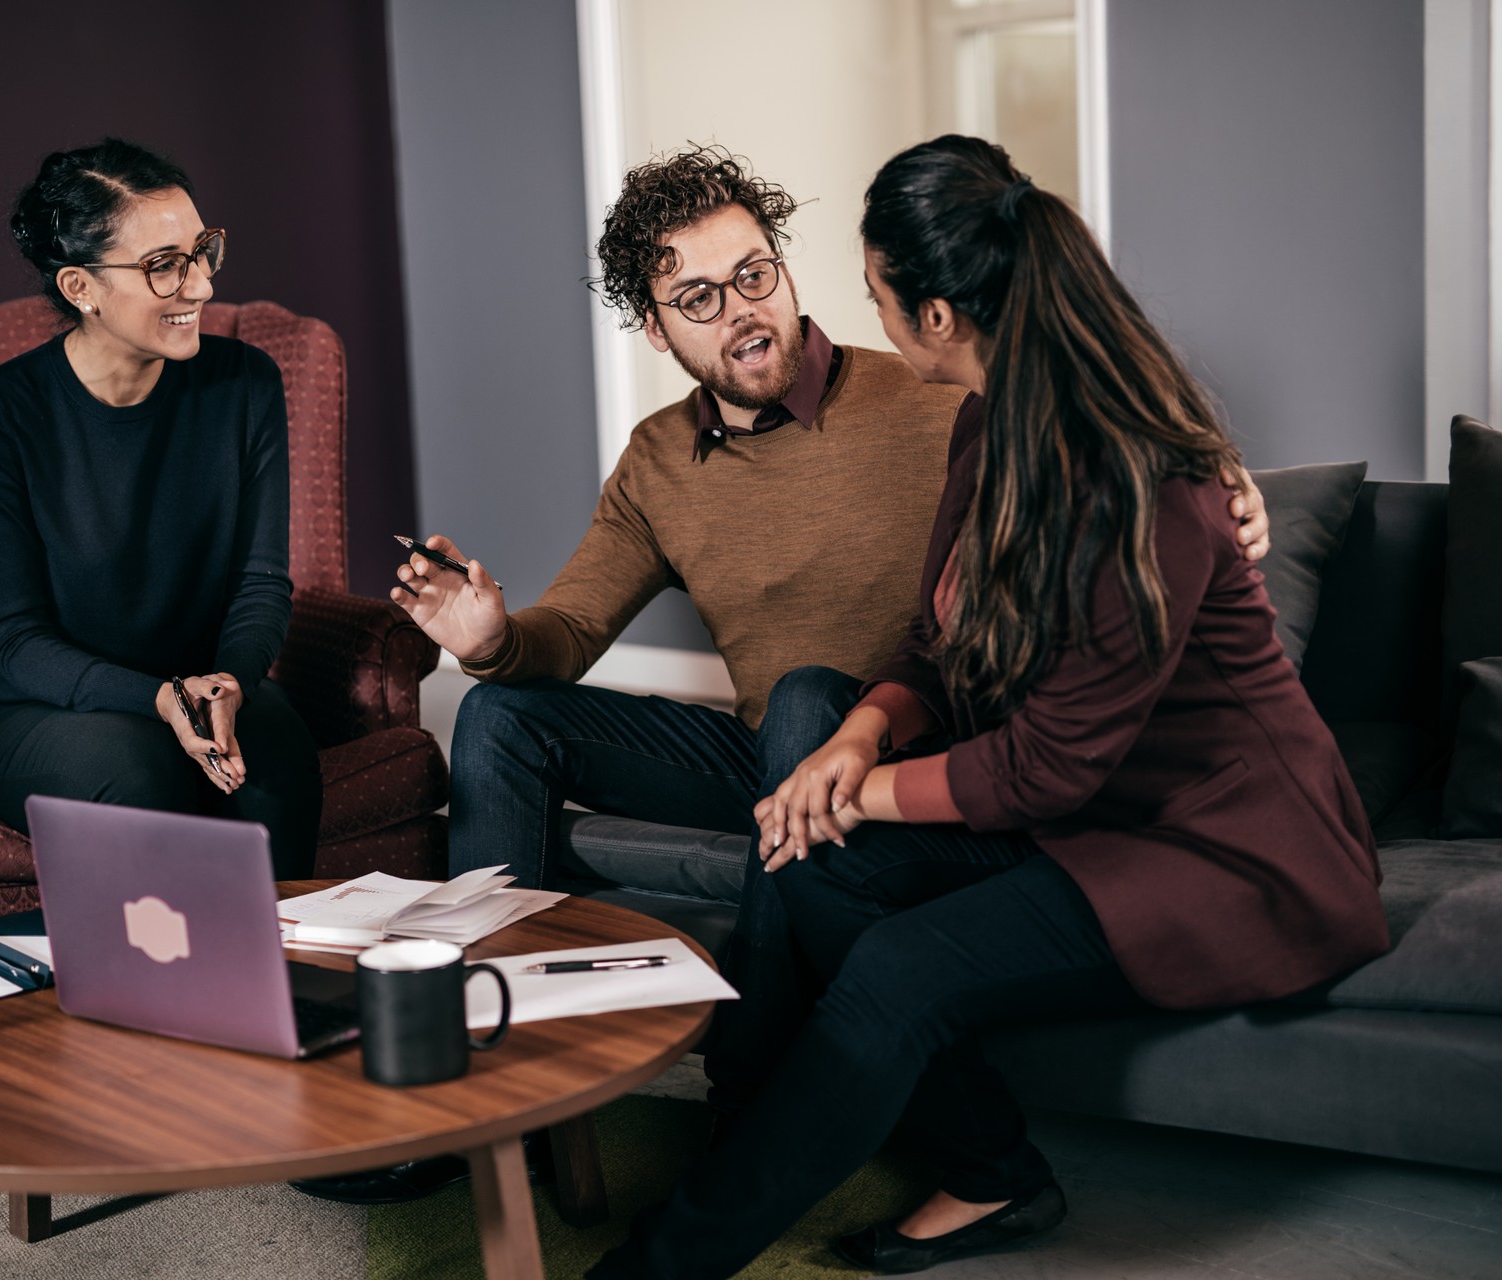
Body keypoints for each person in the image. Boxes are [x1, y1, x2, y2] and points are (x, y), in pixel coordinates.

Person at [293, 144, 1264, 1209]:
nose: (740, 311)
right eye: (697, 298)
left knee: (809, 690)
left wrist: (1227, 477)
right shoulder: (658, 459)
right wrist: (487, 637)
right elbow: (566, 631)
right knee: (501, 715)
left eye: (754, 273)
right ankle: (482, 1081)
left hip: (911, 754)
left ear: (788, 270)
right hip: (770, 761)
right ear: (657, 329)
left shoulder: (933, 398)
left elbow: (1109, 455)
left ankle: (746, 1081)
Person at [586, 135, 1391, 1280]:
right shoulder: (986, 420)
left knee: (900, 965)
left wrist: (850, 789)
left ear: (941, 316)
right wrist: (856, 735)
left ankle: (658, 1264)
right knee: (813, 872)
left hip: (1221, 847)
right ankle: (996, 1168)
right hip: (1093, 814)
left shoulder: (1138, 485)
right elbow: (940, 640)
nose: (858, 313)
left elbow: (1044, 771)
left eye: (876, 292)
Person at [0, 138, 321, 876]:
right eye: (164, 266)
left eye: (202, 251)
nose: (202, 287)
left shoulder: (246, 385)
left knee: (274, 741)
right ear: (81, 288)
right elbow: (18, 641)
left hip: (201, 684)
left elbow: (261, 582)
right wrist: (157, 698)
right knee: (138, 769)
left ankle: (290, 985)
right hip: (46, 711)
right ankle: (164, 991)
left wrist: (230, 683)